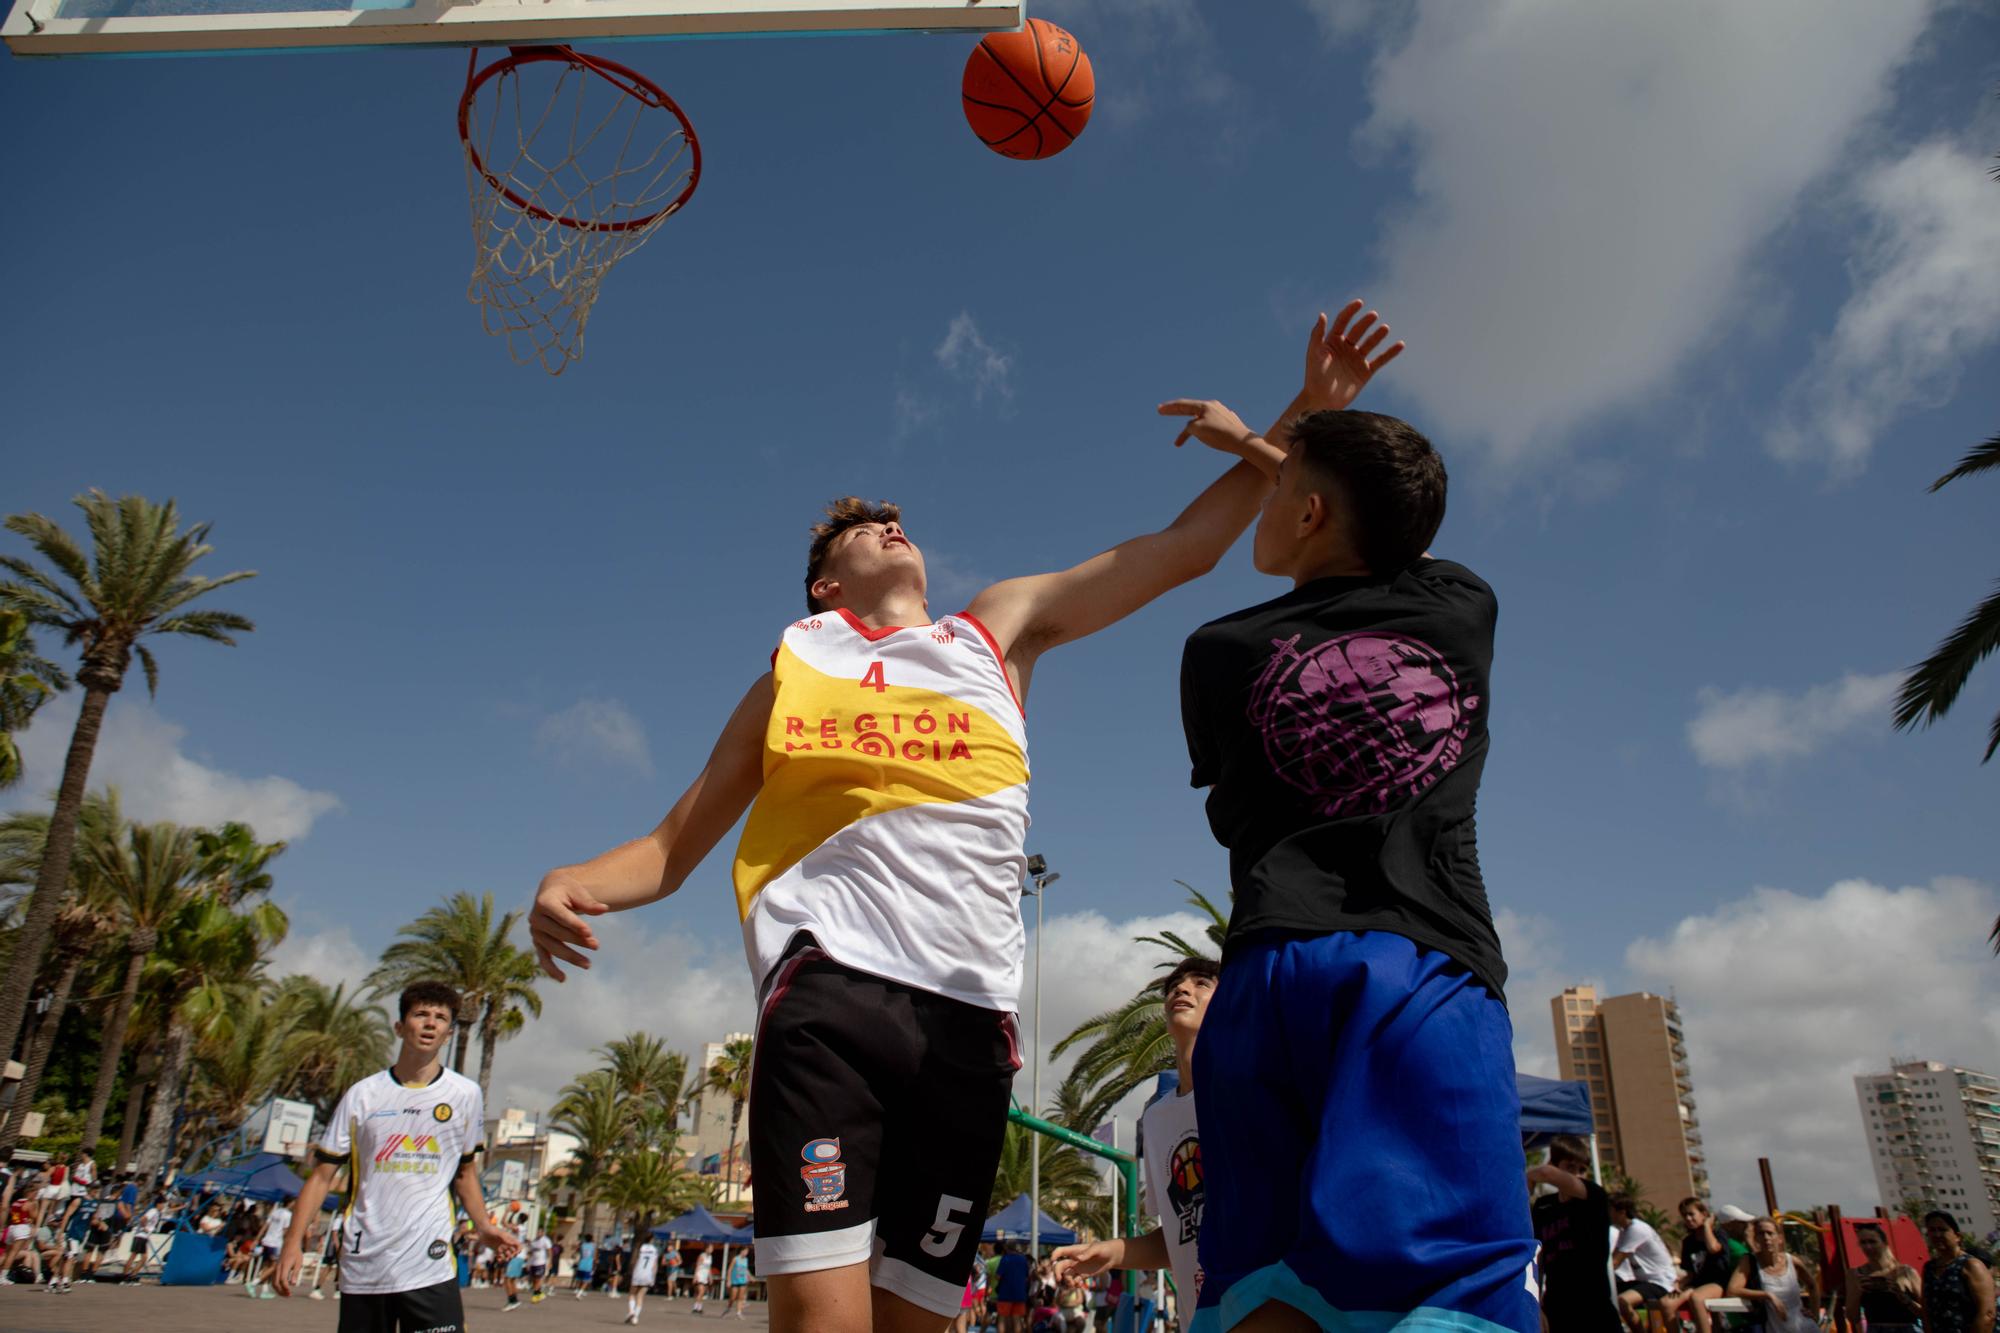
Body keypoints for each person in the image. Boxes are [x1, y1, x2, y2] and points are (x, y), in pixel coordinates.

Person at [527, 308, 1401, 1333]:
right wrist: (567, 879)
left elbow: (1181, 548)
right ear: (825, 581)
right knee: (821, 1317)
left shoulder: (995, 629)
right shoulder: (796, 668)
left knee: (918, 1323)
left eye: (895, 516)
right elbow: (673, 847)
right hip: (832, 996)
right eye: (862, 528)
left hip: (969, 1021)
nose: (890, 524)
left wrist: (1303, 413)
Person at [1173, 311, 1536, 1333]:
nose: (1265, 496)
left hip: (1268, 975)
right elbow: (1384, 530)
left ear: (1306, 512)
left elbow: (1230, 807)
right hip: (1417, 968)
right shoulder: (1462, 607)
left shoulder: (1217, 650)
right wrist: (1279, 442)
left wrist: (1272, 428)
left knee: (1258, 1297)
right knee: (1449, 1299)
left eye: (1277, 487)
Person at [270, 980, 518, 1333]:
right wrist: (293, 1243)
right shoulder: (363, 1095)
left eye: (440, 1017)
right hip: (365, 1263)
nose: (430, 1023)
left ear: (449, 1033)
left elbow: (465, 1175)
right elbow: (322, 1177)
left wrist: (485, 1227)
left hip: (429, 1263)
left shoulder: (465, 1095)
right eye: (420, 1014)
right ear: (400, 1027)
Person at [1051, 957, 1219, 1316]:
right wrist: (1109, 1253)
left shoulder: (1253, 1094)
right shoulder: (1158, 1118)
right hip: (1198, 1318)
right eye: (1175, 984)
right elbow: (1178, 1236)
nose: (1182, 988)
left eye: (1201, 983)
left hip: (1263, 1310)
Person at [1528, 1136, 1620, 1333]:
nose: (1577, 1175)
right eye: (1570, 1167)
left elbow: (1545, 1172)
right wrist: (1537, 1305)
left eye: (1582, 1169)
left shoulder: (1594, 1196)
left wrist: (1530, 1177)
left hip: (1593, 1306)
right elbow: (1539, 1258)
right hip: (1555, 1306)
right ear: (1555, 1163)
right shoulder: (1544, 1206)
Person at [1658, 1198, 1745, 1333]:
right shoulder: (1688, 1242)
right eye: (1684, 1215)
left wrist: (1706, 1227)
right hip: (1697, 1284)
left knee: (1697, 1298)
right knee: (1666, 1303)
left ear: (1704, 1214)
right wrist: (1679, 1284)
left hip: (1718, 1283)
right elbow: (1690, 1272)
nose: (1688, 1218)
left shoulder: (1718, 1234)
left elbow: (1713, 1248)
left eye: (1691, 1214)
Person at [1727, 1216, 1820, 1333]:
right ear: (1756, 1239)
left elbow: (1812, 1285)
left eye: (1770, 1233)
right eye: (1761, 1234)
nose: (1766, 1237)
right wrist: (1768, 1295)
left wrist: (1815, 1314)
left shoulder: (1791, 1261)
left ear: (1779, 1238)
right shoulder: (1750, 1261)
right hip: (1776, 1328)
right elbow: (1732, 1290)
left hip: (1803, 1326)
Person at [1607, 1195, 1677, 1330]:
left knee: (1622, 1301)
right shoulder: (1624, 1230)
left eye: (1610, 1210)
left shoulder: (1636, 1229)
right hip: (1645, 1281)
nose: (1607, 1214)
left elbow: (1615, 1262)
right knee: (1608, 1293)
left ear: (1622, 1212)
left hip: (1660, 1281)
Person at [1921, 1210, 1995, 1333]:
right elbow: (1926, 1311)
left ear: (1957, 1236)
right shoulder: (1929, 1268)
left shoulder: (1971, 1265)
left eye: (1942, 1230)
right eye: (1932, 1230)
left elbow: (1987, 1314)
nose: (1937, 1234)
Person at [1844, 1222, 1921, 1333]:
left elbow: (1926, 1312)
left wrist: (1904, 1298)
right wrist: (1858, 1291)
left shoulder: (1906, 1272)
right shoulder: (1855, 1274)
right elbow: (1852, 1317)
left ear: (1884, 1243)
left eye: (1872, 1242)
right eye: (1863, 1242)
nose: (1868, 1247)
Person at [247, 1198, 293, 1297]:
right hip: (275, 1243)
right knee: (274, 1266)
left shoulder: (275, 1212)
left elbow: (265, 1226)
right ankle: (253, 1283)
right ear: (290, 1203)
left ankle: (264, 1290)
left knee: (267, 1266)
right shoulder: (288, 1215)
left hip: (267, 1241)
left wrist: (257, 1239)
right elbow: (285, 1231)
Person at [994, 1242, 1033, 1333]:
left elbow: (998, 1276)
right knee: (1017, 1320)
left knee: (1002, 1319)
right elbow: (1027, 1277)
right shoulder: (1023, 1259)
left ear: (1007, 1248)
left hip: (1005, 1294)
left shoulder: (1005, 1258)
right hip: (1019, 1294)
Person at [627, 1235, 661, 1325]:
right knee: (640, 1296)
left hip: (638, 1273)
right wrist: (653, 1277)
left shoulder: (640, 1248)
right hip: (647, 1274)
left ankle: (631, 1312)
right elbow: (655, 1265)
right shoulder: (655, 1250)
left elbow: (634, 1261)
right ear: (652, 1240)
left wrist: (632, 1272)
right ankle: (635, 1317)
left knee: (632, 1294)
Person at [528, 1229, 553, 1302]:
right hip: (533, 1262)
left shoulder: (546, 1240)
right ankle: (540, 1293)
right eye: (537, 1232)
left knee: (538, 1279)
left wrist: (550, 1262)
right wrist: (528, 1262)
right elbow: (531, 1251)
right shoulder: (534, 1241)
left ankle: (535, 1296)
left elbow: (550, 1251)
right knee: (533, 1279)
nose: (538, 1233)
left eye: (540, 1232)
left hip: (541, 1263)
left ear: (543, 1233)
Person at [729, 1248, 752, 1318]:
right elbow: (730, 1269)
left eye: (747, 1252)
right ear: (741, 1251)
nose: (746, 1253)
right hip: (735, 1280)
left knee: (740, 1297)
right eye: (745, 1251)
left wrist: (750, 1276)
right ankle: (729, 1306)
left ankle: (739, 1312)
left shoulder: (746, 1260)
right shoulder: (735, 1259)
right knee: (733, 1297)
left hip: (743, 1280)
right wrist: (728, 1280)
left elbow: (746, 1269)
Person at [692, 1242, 714, 1314]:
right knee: (701, 1291)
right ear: (706, 1249)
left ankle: (699, 1307)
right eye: (710, 1248)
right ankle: (695, 1307)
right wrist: (695, 1276)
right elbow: (697, 1265)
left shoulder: (710, 1257)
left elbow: (709, 1268)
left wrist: (710, 1277)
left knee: (702, 1292)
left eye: (712, 1248)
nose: (711, 1250)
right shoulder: (702, 1256)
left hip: (705, 1275)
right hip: (700, 1274)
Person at [574, 1231, 597, 1297]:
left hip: (581, 1264)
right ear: (592, 1239)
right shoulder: (593, 1246)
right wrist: (594, 1265)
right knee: (586, 1280)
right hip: (588, 1265)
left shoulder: (582, 1245)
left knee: (579, 1279)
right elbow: (594, 1256)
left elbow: (579, 1253)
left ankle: (577, 1290)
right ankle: (580, 1292)